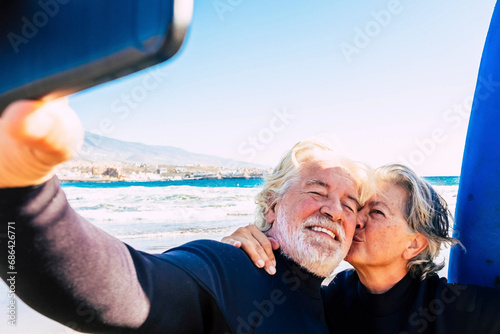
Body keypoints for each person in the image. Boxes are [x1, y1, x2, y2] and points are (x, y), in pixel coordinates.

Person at [0, 100, 372, 333]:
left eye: (350, 205)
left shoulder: (337, 305)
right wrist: (23, 192)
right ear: (272, 204)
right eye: (317, 191)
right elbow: (134, 286)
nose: (334, 210)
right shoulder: (230, 266)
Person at [224, 164, 500, 333]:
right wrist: (233, 254)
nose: (354, 221)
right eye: (357, 208)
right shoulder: (326, 300)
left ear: (414, 244)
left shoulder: (458, 310)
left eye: (377, 212)